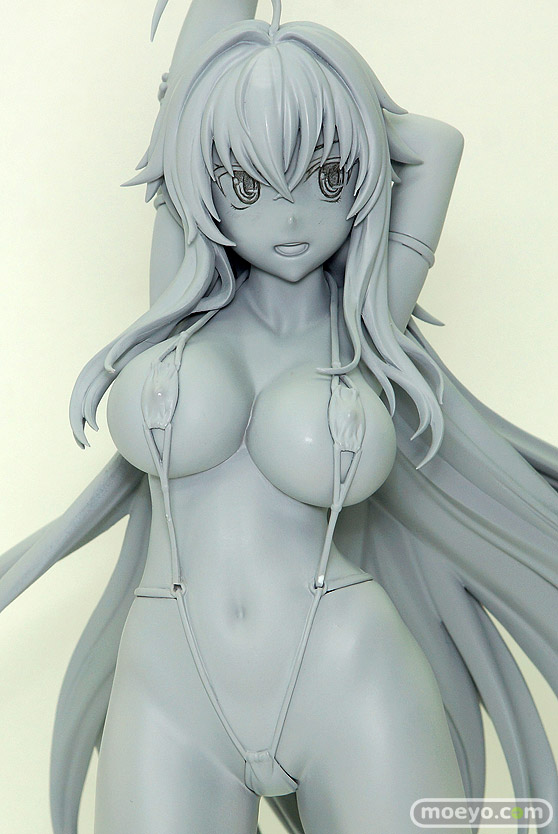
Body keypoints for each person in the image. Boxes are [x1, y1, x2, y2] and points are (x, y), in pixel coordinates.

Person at [1, 1, 557, 833]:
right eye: (250, 185)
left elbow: (437, 144)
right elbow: (200, 92)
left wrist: (326, 104)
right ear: (206, 181)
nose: (290, 217)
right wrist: (243, 108)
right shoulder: (177, 299)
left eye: (328, 179)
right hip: (170, 692)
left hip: (352, 676)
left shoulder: (363, 325)